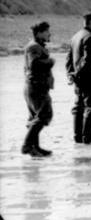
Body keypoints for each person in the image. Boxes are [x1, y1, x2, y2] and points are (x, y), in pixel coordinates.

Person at [66, 11, 91, 144]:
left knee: (79, 106)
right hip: (88, 77)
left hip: (78, 78)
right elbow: (88, 60)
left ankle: (78, 136)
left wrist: (71, 74)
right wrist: (81, 73)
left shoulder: (75, 36)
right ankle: (87, 136)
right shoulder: (89, 36)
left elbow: (69, 59)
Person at [22, 21, 55, 157]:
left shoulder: (36, 46)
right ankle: (27, 145)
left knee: (35, 117)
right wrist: (50, 62)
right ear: (39, 33)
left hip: (34, 87)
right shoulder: (34, 47)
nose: (49, 34)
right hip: (36, 87)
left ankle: (35, 148)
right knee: (44, 115)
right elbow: (34, 64)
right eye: (47, 31)